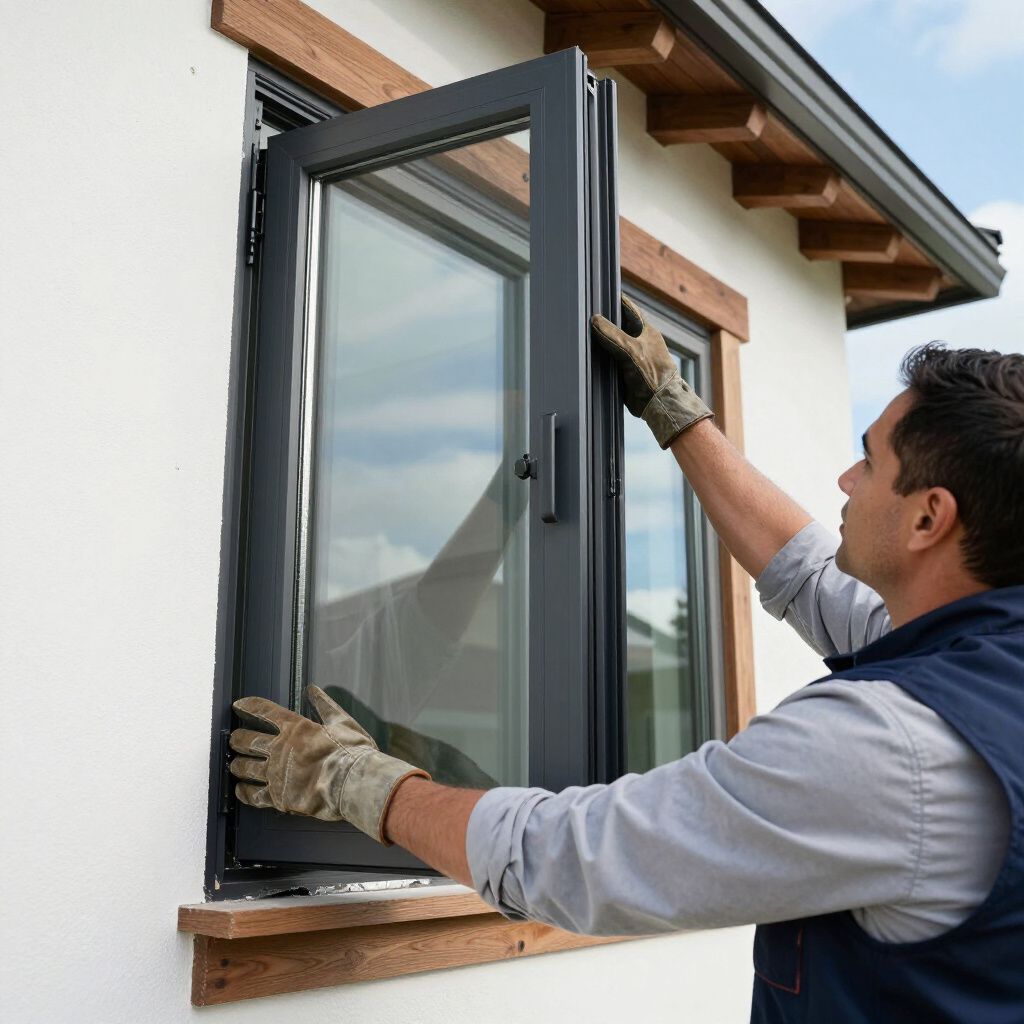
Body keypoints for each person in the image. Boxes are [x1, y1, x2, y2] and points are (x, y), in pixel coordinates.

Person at [230, 298, 1024, 1022]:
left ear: (929, 519)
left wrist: (359, 781)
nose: (846, 479)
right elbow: (806, 569)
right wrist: (673, 410)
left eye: (870, 462)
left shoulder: (892, 751)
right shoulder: (986, 657)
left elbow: (573, 858)